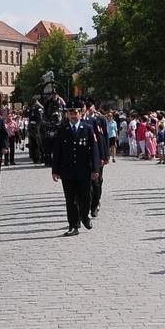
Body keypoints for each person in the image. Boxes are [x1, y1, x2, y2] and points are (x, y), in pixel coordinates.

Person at [52, 99, 100, 235]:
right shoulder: (62, 130)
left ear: (81, 113)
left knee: (85, 198)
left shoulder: (88, 129)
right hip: (67, 171)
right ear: (67, 115)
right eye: (70, 113)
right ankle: (73, 225)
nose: (73, 115)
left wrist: (95, 168)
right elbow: (57, 152)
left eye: (75, 112)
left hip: (83, 170)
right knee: (70, 200)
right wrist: (55, 171)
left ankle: (84, 216)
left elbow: (94, 150)